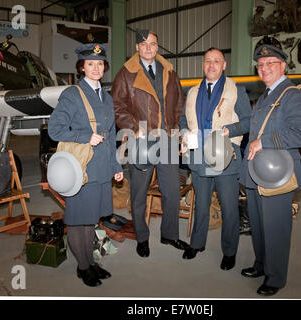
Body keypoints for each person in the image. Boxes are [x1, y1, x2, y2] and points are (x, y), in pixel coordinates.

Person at [48, 43, 123, 287]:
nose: (95, 68)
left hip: (101, 169)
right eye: (90, 63)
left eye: (100, 64)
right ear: (81, 67)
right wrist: (84, 136)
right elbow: (55, 129)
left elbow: (111, 136)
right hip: (81, 168)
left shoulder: (107, 97)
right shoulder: (72, 94)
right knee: (78, 220)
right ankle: (83, 267)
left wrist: (116, 166)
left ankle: (90, 262)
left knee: (91, 219)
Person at [239, 45, 301, 296]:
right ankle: (261, 264)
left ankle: (276, 277)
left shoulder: (291, 95)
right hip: (257, 172)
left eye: (270, 63)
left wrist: (265, 141)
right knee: (258, 225)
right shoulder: (265, 95)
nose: (264, 68)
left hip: (277, 173)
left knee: (276, 227)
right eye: (260, 64)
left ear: (283, 66)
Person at [111, 30, 187, 258]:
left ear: (157, 47)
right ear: (137, 47)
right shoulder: (126, 74)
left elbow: (178, 105)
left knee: (172, 191)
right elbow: (117, 106)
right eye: (143, 44)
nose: (148, 47)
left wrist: (179, 133)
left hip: (168, 140)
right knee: (138, 193)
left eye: (152, 43)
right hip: (142, 141)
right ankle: (142, 237)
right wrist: (135, 130)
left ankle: (170, 234)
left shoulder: (169, 71)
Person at [179, 47, 251, 270]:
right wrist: (184, 133)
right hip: (199, 157)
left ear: (224, 65)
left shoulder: (237, 90)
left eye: (216, 61)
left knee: (229, 208)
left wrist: (230, 129)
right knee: (201, 204)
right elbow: (183, 120)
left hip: (225, 157)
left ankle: (229, 252)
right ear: (203, 65)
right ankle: (197, 243)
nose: (211, 65)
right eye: (208, 61)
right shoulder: (192, 91)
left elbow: (249, 121)